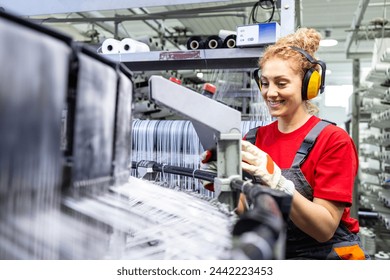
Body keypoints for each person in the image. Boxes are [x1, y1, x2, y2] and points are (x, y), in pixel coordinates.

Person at [201, 27, 369, 260]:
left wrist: (279, 184)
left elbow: (324, 229)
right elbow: (243, 209)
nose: (270, 93)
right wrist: (223, 182)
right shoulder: (253, 138)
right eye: (265, 83)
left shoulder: (333, 140)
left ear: (308, 85)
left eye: (281, 84)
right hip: (274, 251)